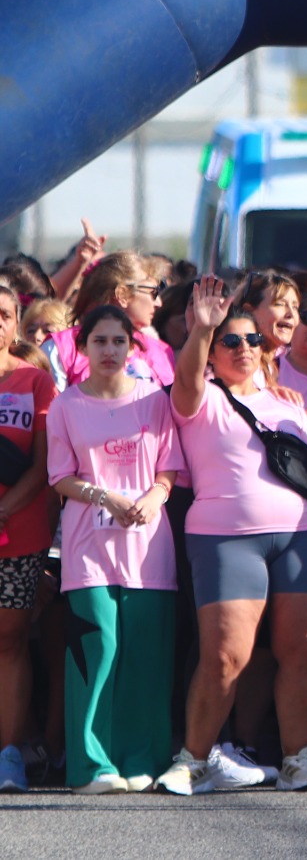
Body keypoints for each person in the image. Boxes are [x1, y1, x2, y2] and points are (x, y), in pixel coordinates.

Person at [156, 277, 307, 796]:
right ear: (213, 351)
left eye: (252, 340)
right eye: (230, 341)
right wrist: (203, 328)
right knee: (226, 658)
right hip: (225, 538)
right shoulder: (200, 395)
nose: (243, 349)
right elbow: (186, 375)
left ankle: (300, 761)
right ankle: (192, 760)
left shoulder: (288, 401)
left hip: (305, 535)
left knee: (300, 653)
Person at [46, 305, 182, 794]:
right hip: (87, 546)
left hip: (149, 546)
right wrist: (107, 496)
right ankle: (91, 765)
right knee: (98, 646)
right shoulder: (66, 406)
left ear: (132, 346)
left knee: (145, 653)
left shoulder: (155, 400)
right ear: (83, 348)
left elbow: (169, 471)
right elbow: (60, 478)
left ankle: (141, 758)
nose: (109, 351)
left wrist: (151, 497)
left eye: (118, 341)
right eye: (99, 341)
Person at [0, 283, 57, 793]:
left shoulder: (35, 382)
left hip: (19, 533)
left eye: (2, 315)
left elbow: (44, 466)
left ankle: (8, 754)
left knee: (9, 642)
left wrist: (3, 509)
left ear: (16, 322)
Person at [41, 251, 172, 391]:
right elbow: (51, 410)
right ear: (122, 294)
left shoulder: (162, 351)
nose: (159, 303)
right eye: (153, 292)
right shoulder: (61, 347)